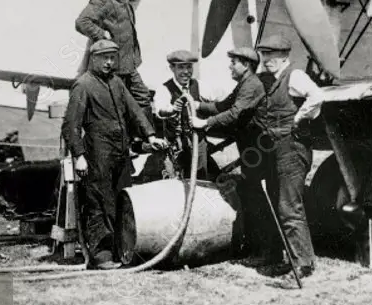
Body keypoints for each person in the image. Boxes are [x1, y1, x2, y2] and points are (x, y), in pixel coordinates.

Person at [61, 39, 166, 269]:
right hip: (97, 153)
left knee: (122, 199)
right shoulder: (83, 85)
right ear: (94, 58)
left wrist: (150, 136)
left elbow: (135, 110)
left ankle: (122, 250)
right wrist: (79, 155)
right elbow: (71, 125)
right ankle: (102, 255)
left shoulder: (117, 82)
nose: (109, 62)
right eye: (105, 58)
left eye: (113, 58)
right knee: (99, 202)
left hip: (121, 152)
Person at [251, 34, 324, 278]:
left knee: (289, 206)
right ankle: (292, 258)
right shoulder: (270, 80)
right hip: (276, 150)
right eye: (264, 54)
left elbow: (317, 96)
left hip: (293, 149)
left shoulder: (294, 76)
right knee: (279, 202)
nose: (266, 59)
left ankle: (303, 264)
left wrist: (298, 118)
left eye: (272, 54)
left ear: (284, 56)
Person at [191, 47, 271, 259]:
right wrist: (198, 104)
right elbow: (224, 105)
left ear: (246, 66)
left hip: (259, 149)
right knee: (252, 193)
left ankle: (265, 248)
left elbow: (235, 114)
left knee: (258, 196)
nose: (230, 66)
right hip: (251, 148)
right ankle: (256, 245)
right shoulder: (244, 84)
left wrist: (205, 122)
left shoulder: (252, 85)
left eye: (234, 62)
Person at [75, 0, 155, 119]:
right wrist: (102, 35)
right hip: (113, 65)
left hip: (128, 62)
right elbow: (82, 22)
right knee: (115, 107)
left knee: (143, 97)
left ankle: (145, 139)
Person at [153, 49, 212, 179]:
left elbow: (218, 101)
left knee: (200, 179)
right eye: (181, 67)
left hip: (198, 143)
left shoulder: (199, 85)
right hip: (176, 146)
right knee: (176, 181)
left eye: (189, 67)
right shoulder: (164, 89)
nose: (186, 72)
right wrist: (172, 110)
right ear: (172, 68)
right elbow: (160, 110)